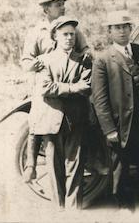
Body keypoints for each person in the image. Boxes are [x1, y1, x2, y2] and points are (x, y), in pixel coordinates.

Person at [91, 10, 139, 211]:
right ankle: (125, 206)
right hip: (120, 125)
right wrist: (109, 129)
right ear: (109, 32)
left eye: (125, 27)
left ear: (130, 29)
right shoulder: (103, 59)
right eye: (117, 28)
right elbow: (100, 99)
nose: (122, 31)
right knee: (120, 169)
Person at [20, 0, 90, 183]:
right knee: (36, 117)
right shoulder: (36, 32)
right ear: (46, 9)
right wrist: (38, 64)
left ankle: (97, 158)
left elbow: (85, 50)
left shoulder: (72, 28)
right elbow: (26, 61)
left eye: (62, 4)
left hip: (70, 80)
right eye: (58, 5)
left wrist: (84, 58)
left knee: (91, 113)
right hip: (45, 85)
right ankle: (31, 164)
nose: (62, 7)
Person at [34, 16, 91, 210]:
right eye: (65, 34)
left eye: (72, 35)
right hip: (52, 120)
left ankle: (74, 212)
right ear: (55, 36)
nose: (69, 38)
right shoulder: (44, 61)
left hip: (76, 120)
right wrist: (73, 88)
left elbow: (86, 87)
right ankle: (59, 210)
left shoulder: (83, 60)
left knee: (75, 167)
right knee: (54, 167)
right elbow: (45, 88)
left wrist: (63, 88)